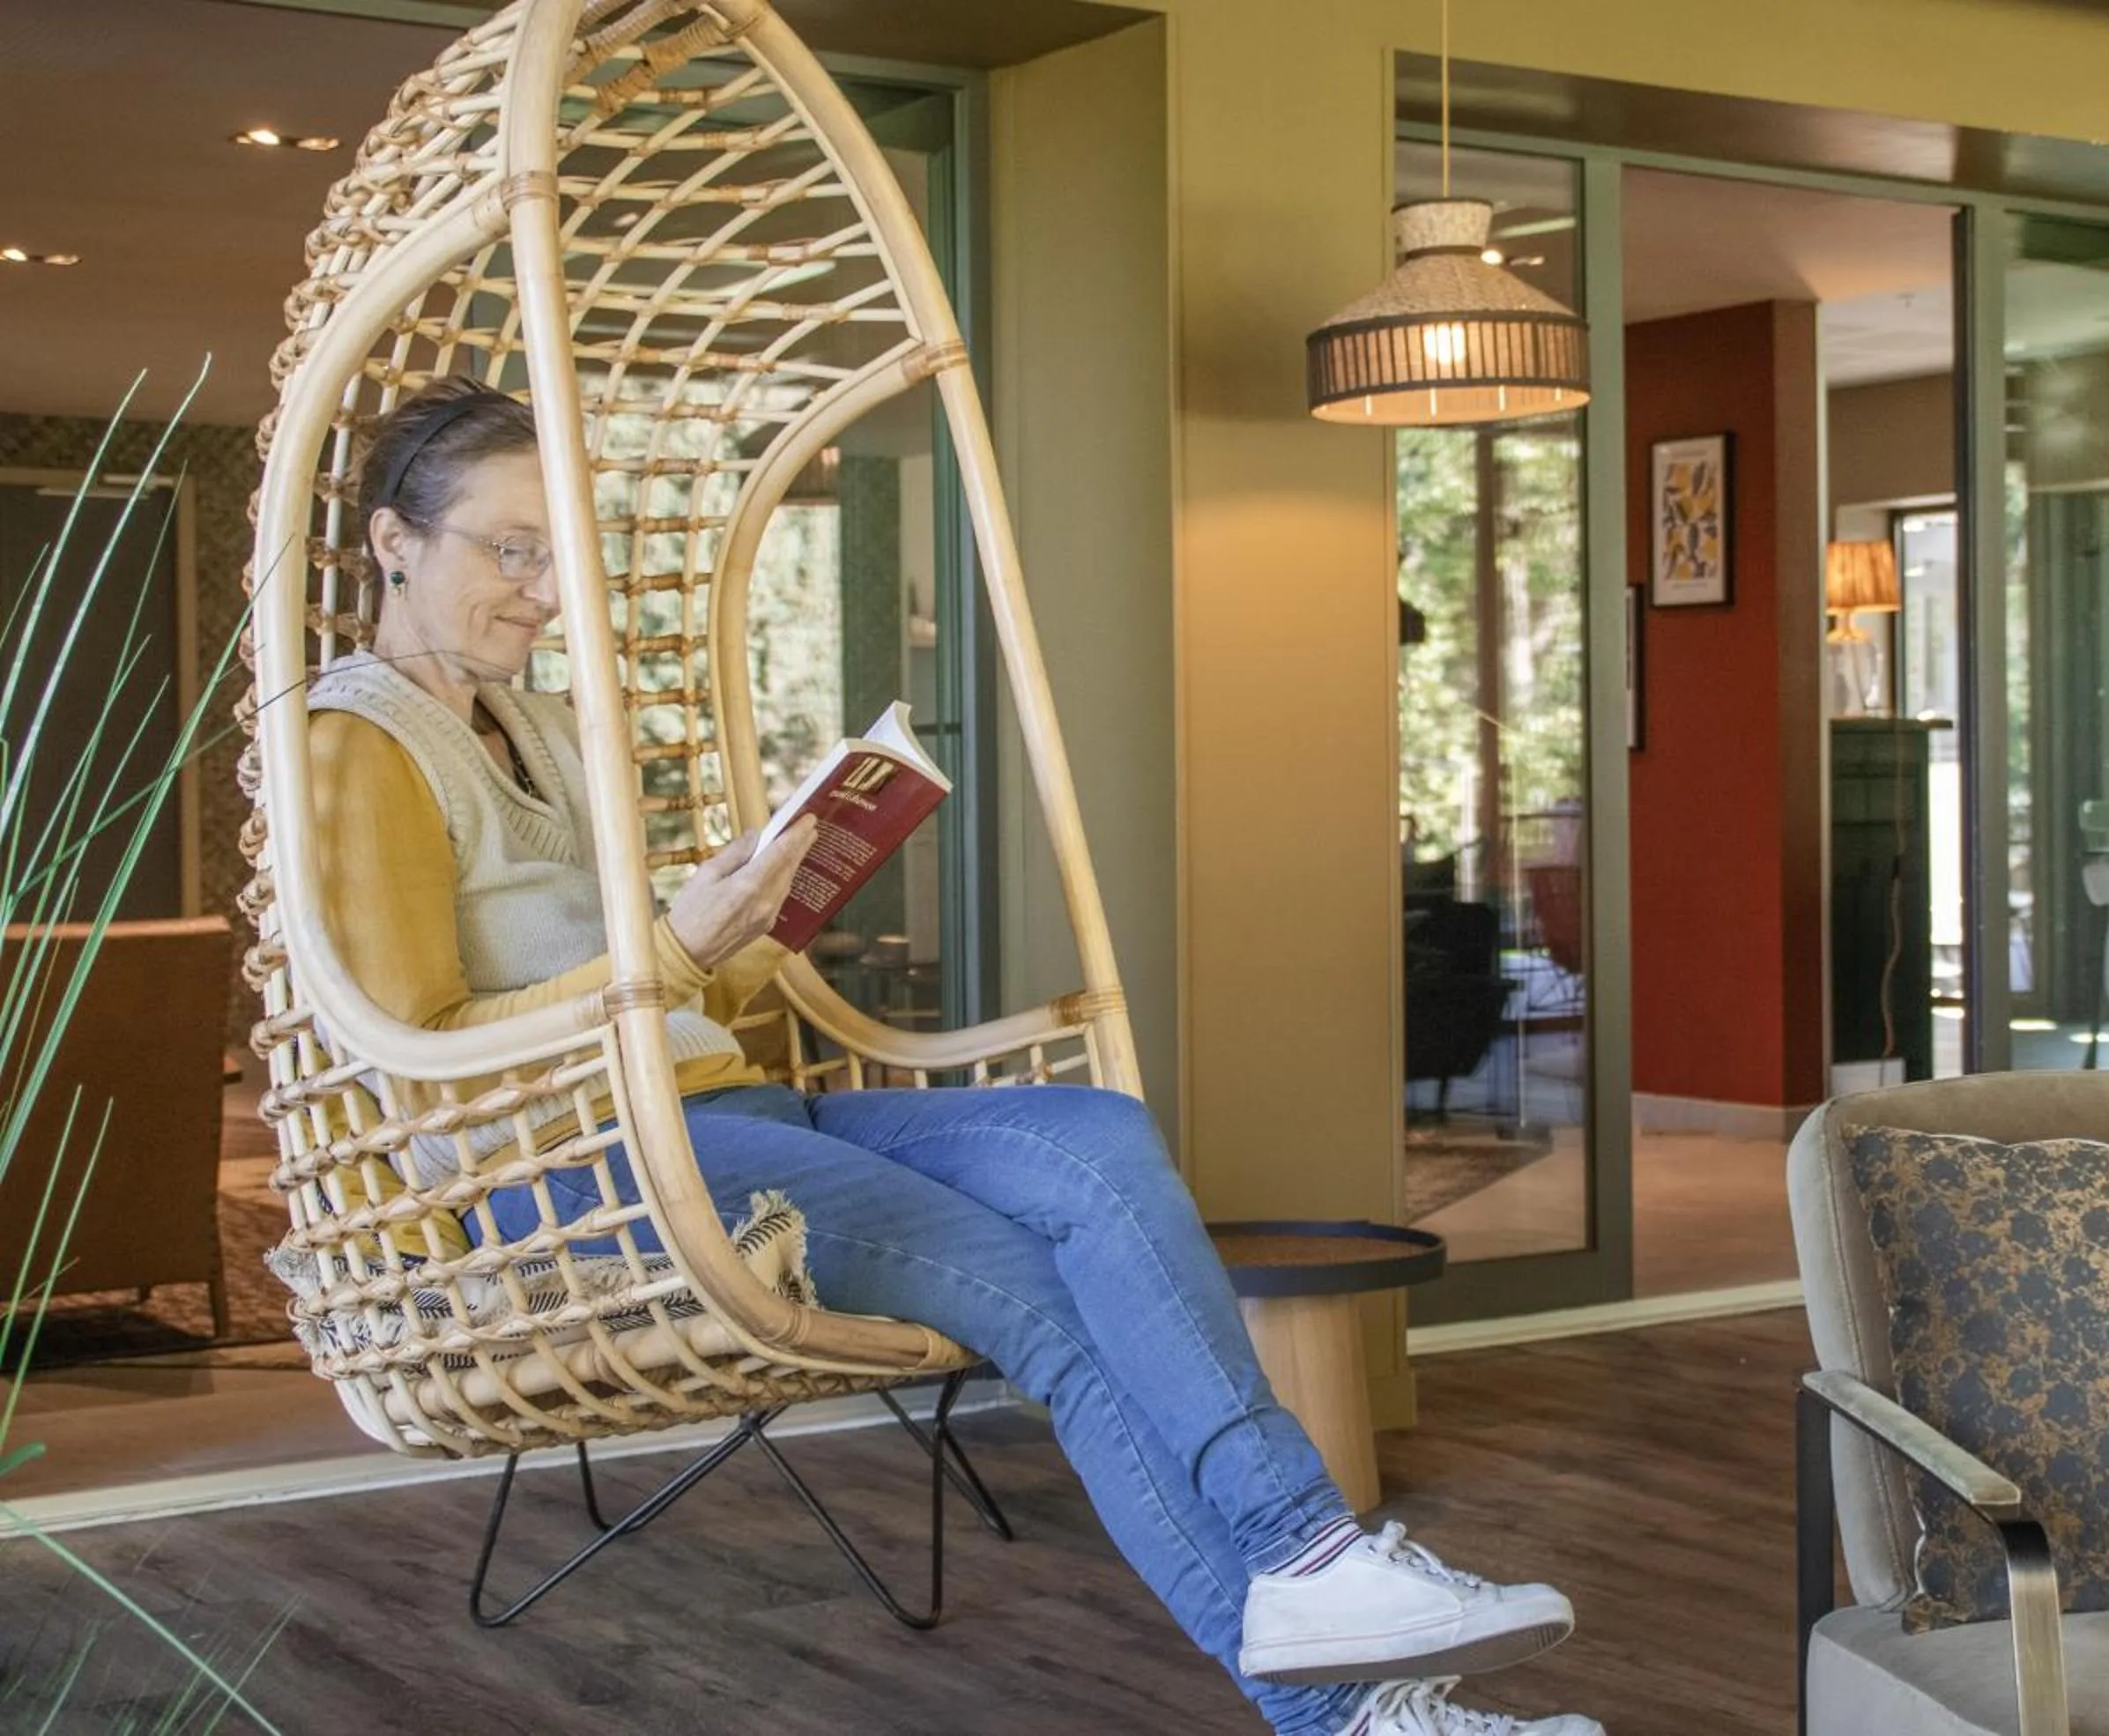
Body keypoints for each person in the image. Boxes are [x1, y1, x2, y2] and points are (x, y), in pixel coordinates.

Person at [306, 378, 1606, 1736]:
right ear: (397, 541)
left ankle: (1313, 1576)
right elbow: (428, 1058)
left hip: (715, 1107)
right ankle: (1341, 1680)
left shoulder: (542, 724)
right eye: (508, 551)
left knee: (1092, 1139)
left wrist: (759, 916)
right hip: (569, 1167)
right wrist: (677, 953)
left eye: (552, 557)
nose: (539, 592)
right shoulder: (360, 745)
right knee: (1033, 1289)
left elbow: (666, 986)